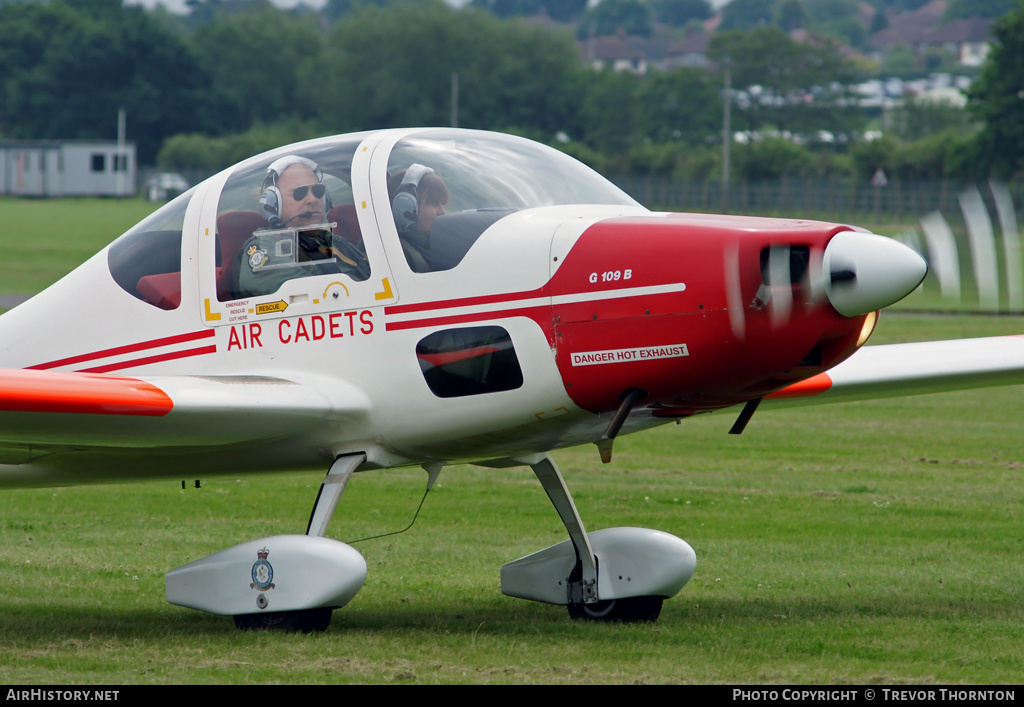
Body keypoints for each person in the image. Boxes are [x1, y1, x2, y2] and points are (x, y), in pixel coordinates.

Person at [235, 155, 369, 297]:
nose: (313, 199)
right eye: (300, 193)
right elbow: (314, 297)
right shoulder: (266, 245)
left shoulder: (334, 241)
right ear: (274, 203)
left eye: (318, 191)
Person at [388, 163, 449, 273]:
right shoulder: (396, 256)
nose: (442, 212)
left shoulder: (430, 245)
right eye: (434, 203)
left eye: (442, 204)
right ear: (405, 208)